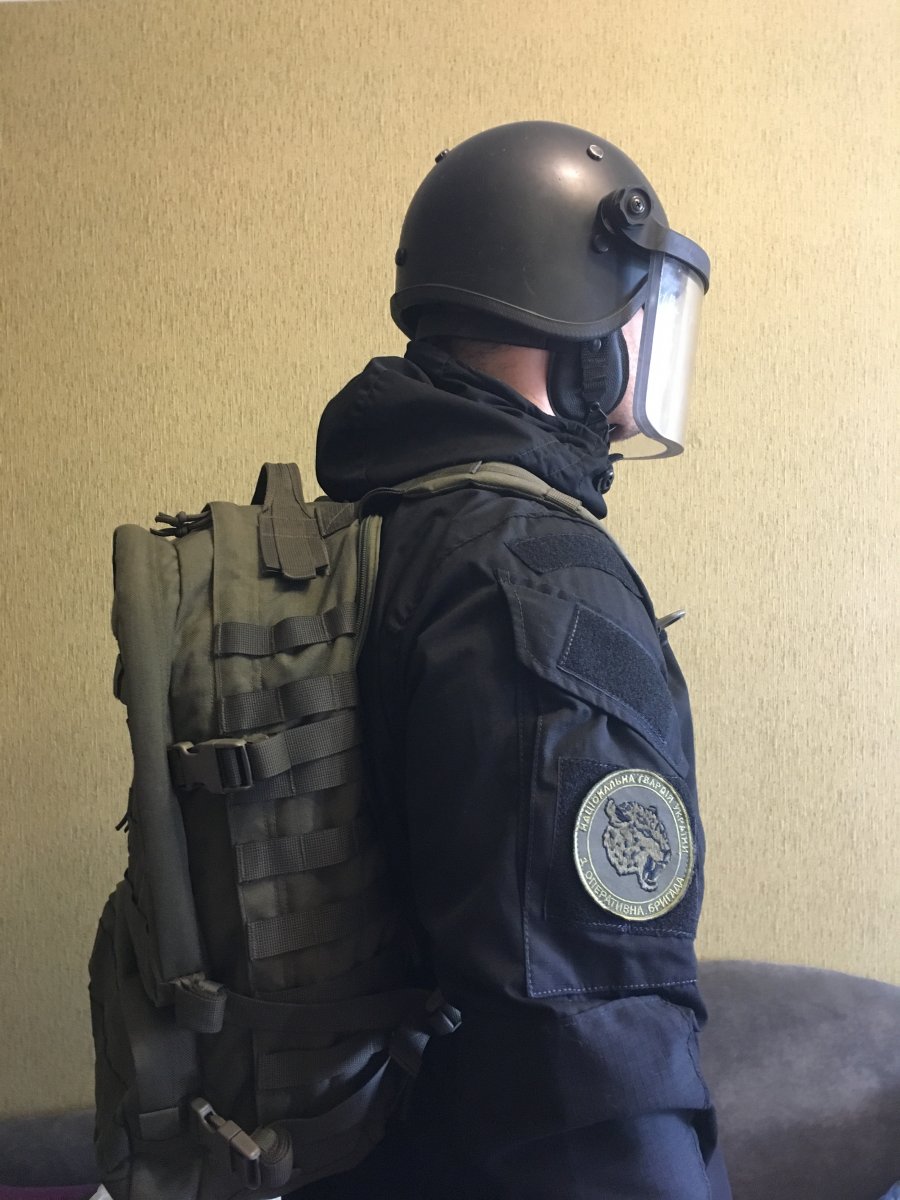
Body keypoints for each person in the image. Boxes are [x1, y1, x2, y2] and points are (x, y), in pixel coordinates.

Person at [300, 120, 731, 1199]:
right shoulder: (534, 581)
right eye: (641, 311)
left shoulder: (383, 524)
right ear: (582, 331)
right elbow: (596, 1068)